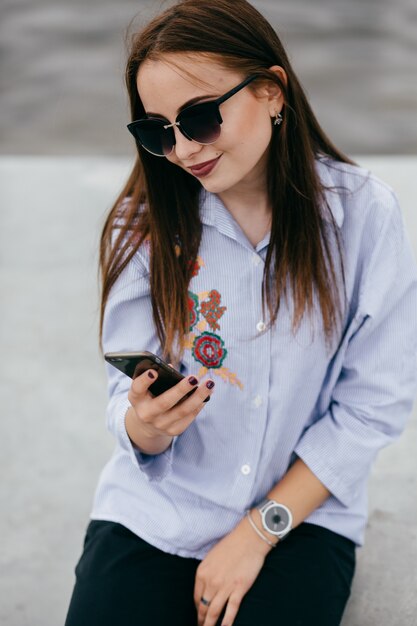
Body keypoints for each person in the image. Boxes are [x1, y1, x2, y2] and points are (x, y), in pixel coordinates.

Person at [65, 1, 417, 625]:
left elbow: (375, 402)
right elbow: (121, 401)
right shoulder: (139, 228)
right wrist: (146, 426)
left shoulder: (363, 216)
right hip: (158, 510)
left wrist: (259, 530)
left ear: (272, 92)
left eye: (199, 118)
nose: (180, 148)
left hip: (304, 518)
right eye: (156, 130)